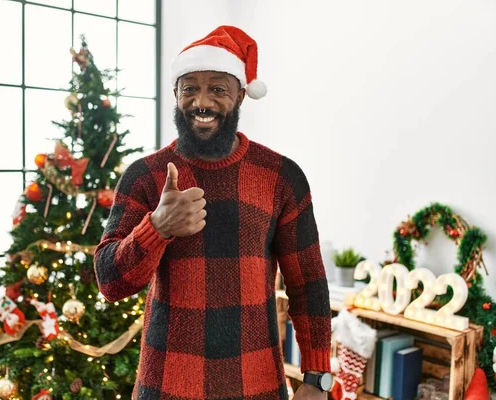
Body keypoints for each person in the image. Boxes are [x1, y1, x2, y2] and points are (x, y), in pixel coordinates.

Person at [94, 25, 332, 400]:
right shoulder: (145, 176)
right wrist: (157, 227)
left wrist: (317, 378)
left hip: (258, 387)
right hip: (165, 386)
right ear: (176, 94)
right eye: (190, 88)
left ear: (240, 95)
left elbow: (308, 283)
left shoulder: (282, 177)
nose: (201, 101)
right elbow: (110, 282)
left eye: (217, 88)